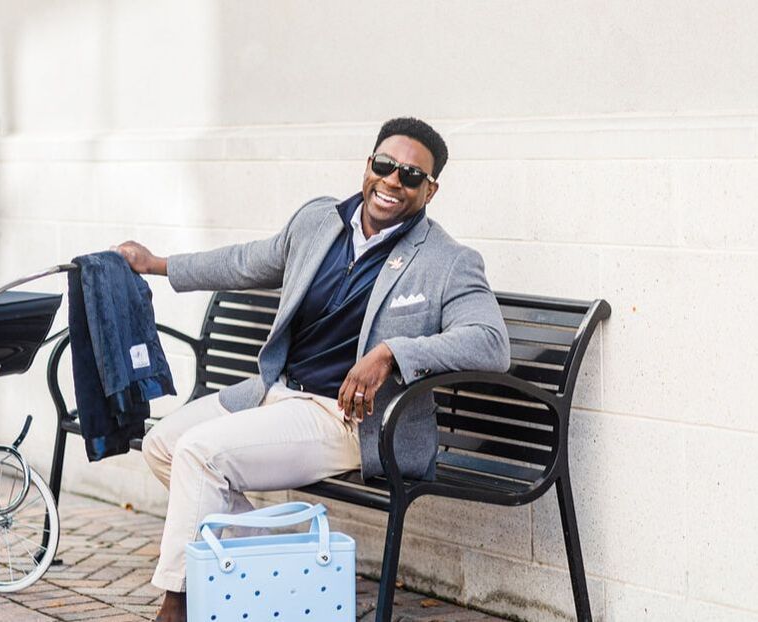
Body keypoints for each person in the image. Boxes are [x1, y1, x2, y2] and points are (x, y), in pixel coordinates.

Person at [115, 117, 510, 622]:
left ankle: (178, 606)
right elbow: (247, 262)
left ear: (430, 190)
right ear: (368, 165)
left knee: (202, 453)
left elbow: (491, 344)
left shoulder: (447, 260)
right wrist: (157, 264)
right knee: (164, 445)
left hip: (348, 419)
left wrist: (393, 352)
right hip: (275, 392)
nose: (393, 182)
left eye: (411, 176)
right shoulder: (319, 221)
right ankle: (286, 558)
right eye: (385, 166)